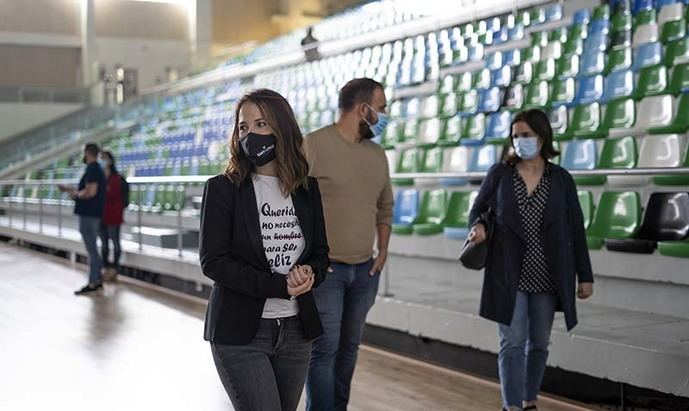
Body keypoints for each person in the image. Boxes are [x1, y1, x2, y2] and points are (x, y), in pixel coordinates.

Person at [199, 89, 330, 411]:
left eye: (261, 125)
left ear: (282, 129)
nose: (250, 135)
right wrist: (279, 285)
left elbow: (322, 253)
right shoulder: (222, 189)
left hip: (297, 331)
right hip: (241, 332)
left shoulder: (307, 189)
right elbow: (213, 262)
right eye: (244, 127)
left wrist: (310, 273)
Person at [467, 109, 594, 411]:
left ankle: (529, 401)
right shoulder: (500, 174)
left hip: (548, 275)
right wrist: (479, 226)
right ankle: (512, 406)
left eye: (525, 135)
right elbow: (476, 211)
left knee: (538, 344)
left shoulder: (561, 179)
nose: (519, 141)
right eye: (515, 136)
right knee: (512, 342)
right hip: (508, 272)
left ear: (542, 136)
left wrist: (585, 275)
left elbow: (576, 229)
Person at [303, 78, 394, 411]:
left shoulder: (376, 154)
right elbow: (293, 203)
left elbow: (385, 206)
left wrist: (382, 251)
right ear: (362, 108)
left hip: (365, 270)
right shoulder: (311, 145)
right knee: (323, 350)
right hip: (326, 273)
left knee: (349, 350)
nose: (384, 115)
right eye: (381, 108)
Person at [58, 143, 107, 295]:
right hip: (93, 214)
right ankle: (96, 280)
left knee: (92, 250)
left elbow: (90, 192)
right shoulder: (96, 169)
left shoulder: (93, 169)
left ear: (87, 153)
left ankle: (93, 282)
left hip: (89, 214)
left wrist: (75, 194)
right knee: (93, 249)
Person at [99, 150, 124, 281]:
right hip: (101, 216)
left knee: (115, 242)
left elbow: (111, 195)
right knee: (104, 244)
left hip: (113, 216)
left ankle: (114, 268)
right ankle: (106, 267)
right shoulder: (100, 177)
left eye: (104, 158)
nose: (102, 161)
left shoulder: (116, 178)